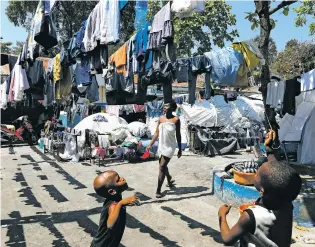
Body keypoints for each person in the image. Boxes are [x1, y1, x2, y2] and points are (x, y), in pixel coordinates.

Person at [218, 129, 302, 247]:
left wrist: (222, 215)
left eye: (258, 173)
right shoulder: (287, 205)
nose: (257, 171)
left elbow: (227, 239)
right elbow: (275, 169)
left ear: (262, 189)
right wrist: (268, 148)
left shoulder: (250, 216)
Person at [91, 170, 139, 247]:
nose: (122, 179)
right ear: (112, 191)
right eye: (118, 179)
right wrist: (120, 204)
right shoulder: (114, 205)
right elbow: (110, 224)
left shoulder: (112, 199)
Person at [147, 101, 182, 198]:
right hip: (161, 146)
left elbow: (178, 135)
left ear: (172, 108)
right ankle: (169, 179)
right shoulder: (161, 118)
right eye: (164, 105)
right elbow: (157, 133)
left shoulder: (176, 120)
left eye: (167, 105)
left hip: (170, 146)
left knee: (162, 166)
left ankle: (158, 191)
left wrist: (180, 149)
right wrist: (150, 144)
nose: (164, 107)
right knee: (163, 166)